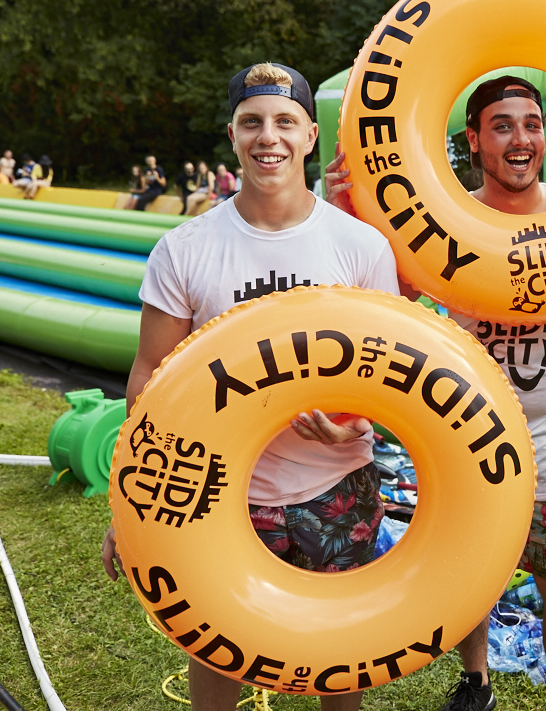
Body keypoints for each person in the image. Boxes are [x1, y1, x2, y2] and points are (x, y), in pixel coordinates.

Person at [101, 62, 400, 711]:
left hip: (336, 485)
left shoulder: (362, 248)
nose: (270, 136)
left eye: (285, 121)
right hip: (219, 491)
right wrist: (134, 500)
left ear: (310, 136)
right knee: (216, 648)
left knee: (338, 654)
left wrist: (353, 427)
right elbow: (151, 377)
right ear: (232, 136)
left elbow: (389, 375)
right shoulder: (185, 250)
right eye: (253, 122)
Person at [329, 75, 546, 711]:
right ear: (474, 141)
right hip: (468, 434)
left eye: (532, 123)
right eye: (502, 126)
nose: (521, 138)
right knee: (467, 573)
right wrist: (344, 218)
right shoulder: (449, 224)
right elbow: (386, 307)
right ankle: (476, 683)